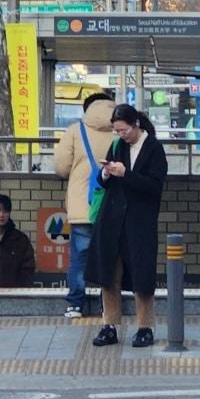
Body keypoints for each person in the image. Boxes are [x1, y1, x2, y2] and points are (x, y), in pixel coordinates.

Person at [84, 105, 168, 348]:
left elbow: (155, 186)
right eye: (117, 131)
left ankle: (145, 327)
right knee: (109, 274)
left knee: (142, 274)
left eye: (125, 130)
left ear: (136, 124)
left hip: (140, 221)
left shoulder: (153, 148)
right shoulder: (117, 146)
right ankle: (109, 325)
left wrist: (126, 174)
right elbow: (103, 181)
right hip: (112, 219)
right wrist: (106, 173)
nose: (122, 135)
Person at [54, 91, 115, 318]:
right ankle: (108, 305)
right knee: (108, 257)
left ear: (87, 109)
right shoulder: (119, 131)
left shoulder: (75, 131)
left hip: (82, 205)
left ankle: (75, 305)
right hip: (110, 205)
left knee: (79, 258)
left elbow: (61, 168)